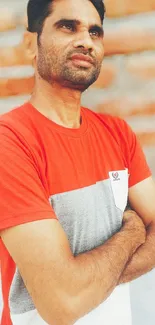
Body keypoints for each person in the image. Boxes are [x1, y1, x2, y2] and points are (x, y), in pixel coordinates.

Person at [0, 0, 155, 324]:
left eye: (95, 31)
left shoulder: (118, 133)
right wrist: (132, 231)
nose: (86, 39)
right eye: (67, 26)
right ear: (32, 43)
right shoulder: (10, 142)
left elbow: (74, 292)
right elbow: (64, 304)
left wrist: (89, 281)